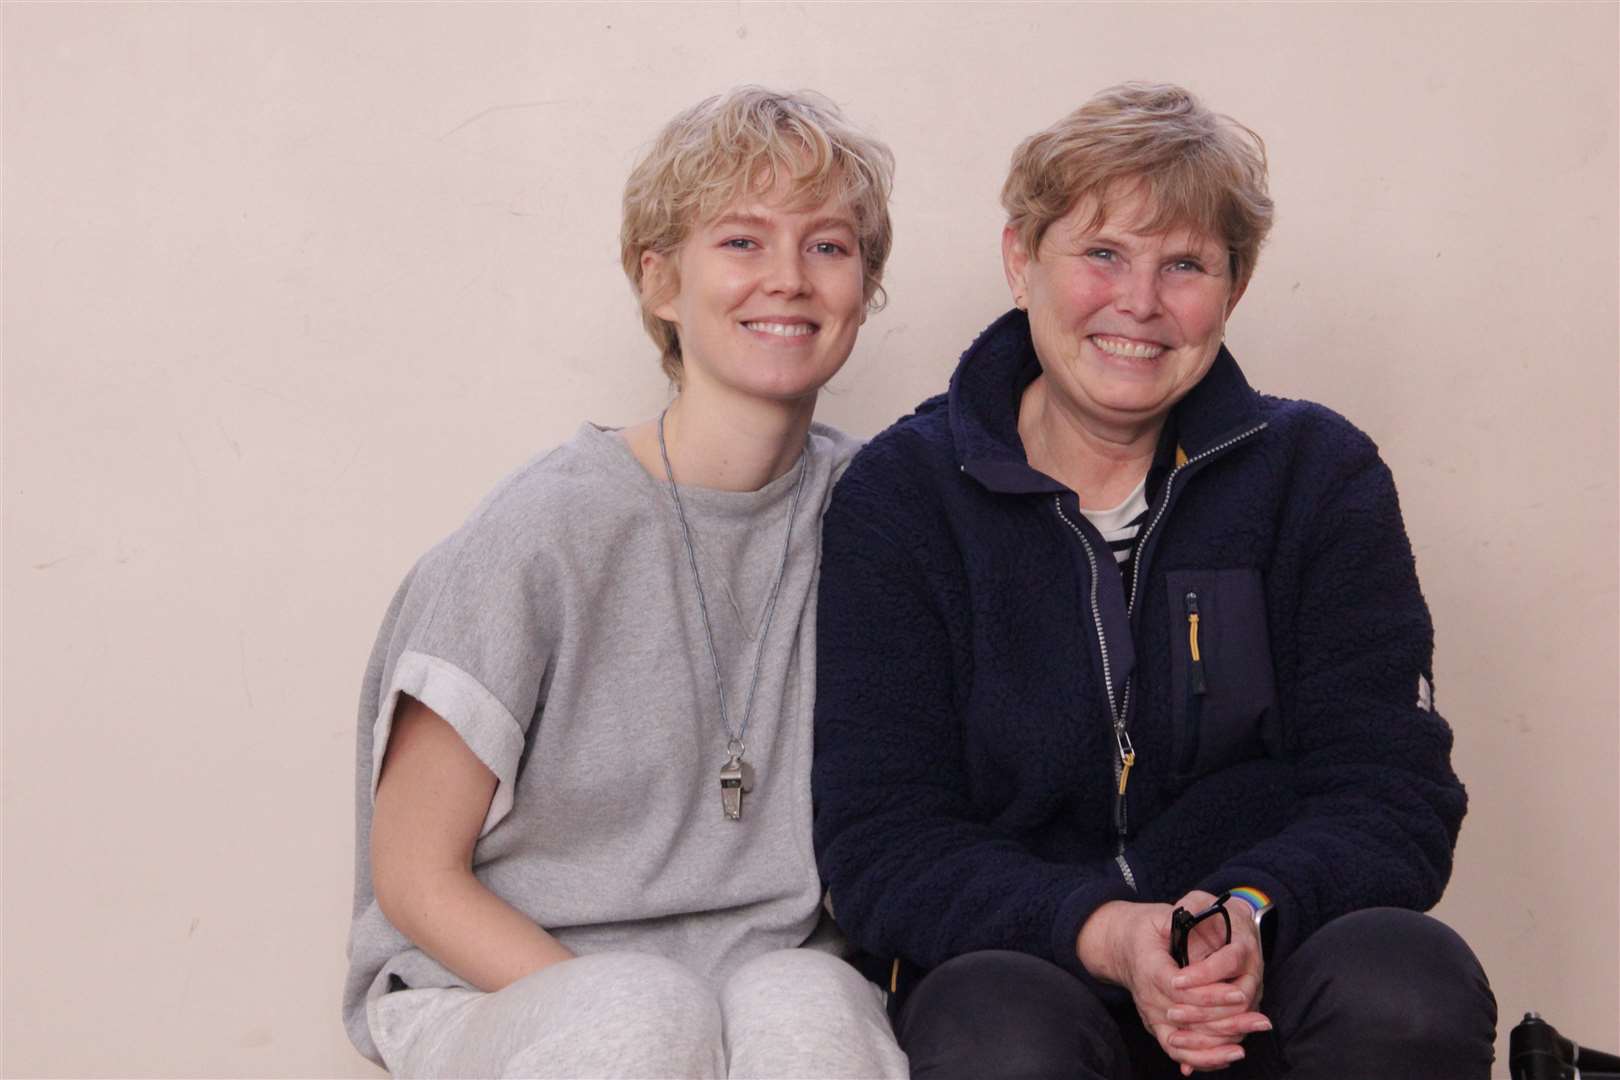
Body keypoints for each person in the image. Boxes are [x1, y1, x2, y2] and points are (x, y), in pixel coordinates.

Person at [812, 83, 1496, 1080]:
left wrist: (1246, 910)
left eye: (1184, 264)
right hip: (1029, 963)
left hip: (1266, 955)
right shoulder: (904, 496)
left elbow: (1394, 792)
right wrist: (1106, 931)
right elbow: (881, 842)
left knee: (1406, 985)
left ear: (1234, 287)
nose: (1139, 302)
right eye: (1101, 254)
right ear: (1020, 260)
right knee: (994, 1039)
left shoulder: (1320, 475)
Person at [343, 87, 908, 1079]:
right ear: (659, 282)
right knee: (640, 1016)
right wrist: (653, 1031)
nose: (789, 278)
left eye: (827, 246)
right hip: (504, 989)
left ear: (864, 287)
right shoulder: (543, 530)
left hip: (761, 985)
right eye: (741, 242)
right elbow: (414, 875)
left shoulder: (882, 512)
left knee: (810, 1000)